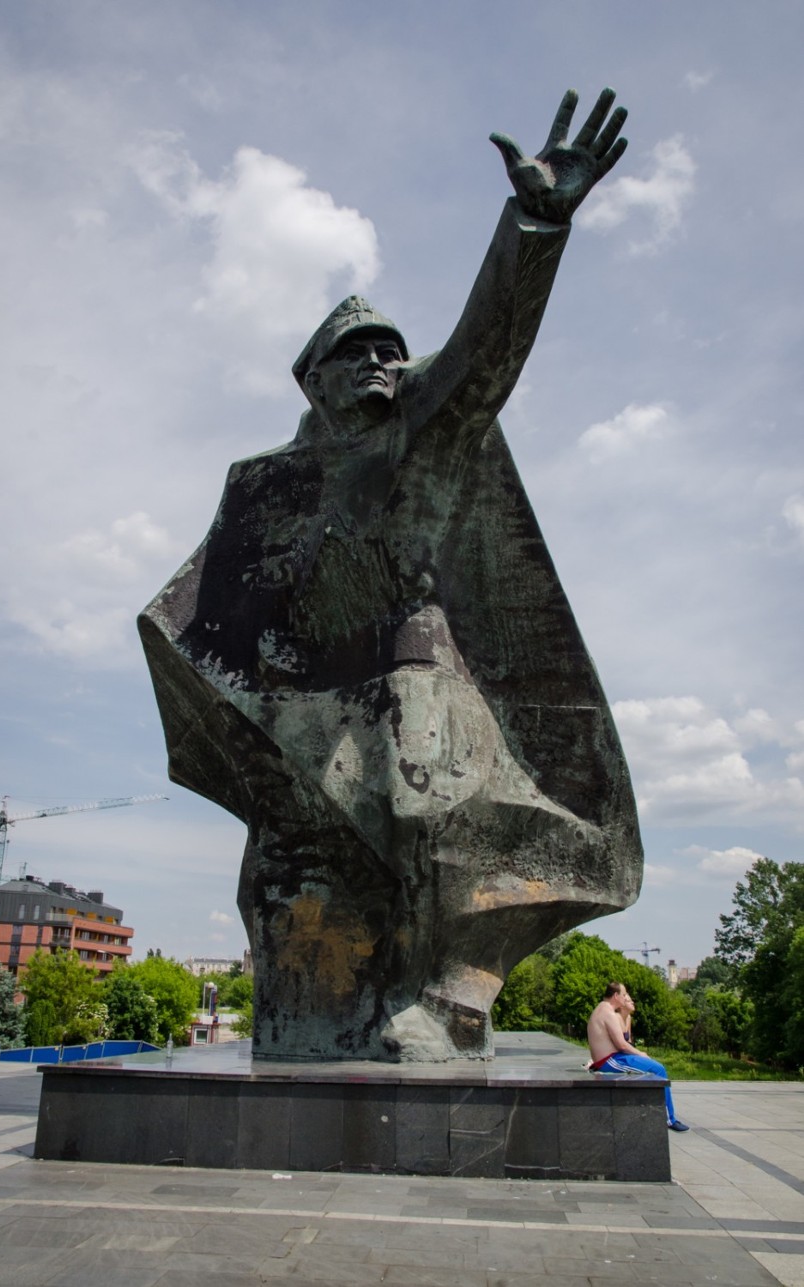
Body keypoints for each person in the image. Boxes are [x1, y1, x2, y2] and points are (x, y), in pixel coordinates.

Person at [140, 90, 644, 1061]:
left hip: (418, 683)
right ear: (314, 378)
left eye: (391, 349)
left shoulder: (426, 430)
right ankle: (312, 1014)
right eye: (355, 349)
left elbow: (488, 348)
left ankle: (445, 999)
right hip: (311, 702)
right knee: (289, 870)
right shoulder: (268, 484)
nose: (381, 359)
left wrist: (535, 223)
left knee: (425, 814)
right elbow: (222, 612)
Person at [587, 983, 689, 1131]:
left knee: (655, 1068)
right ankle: (669, 1120)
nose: (626, 998)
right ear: (616, 996)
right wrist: (641, 1054)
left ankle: (658, 1115)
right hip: (610, 1061)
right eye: (624, 995)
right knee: (658, 1070)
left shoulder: (602, 1009)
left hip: (613, 1058)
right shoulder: (607, 1012)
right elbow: (621, 1044)